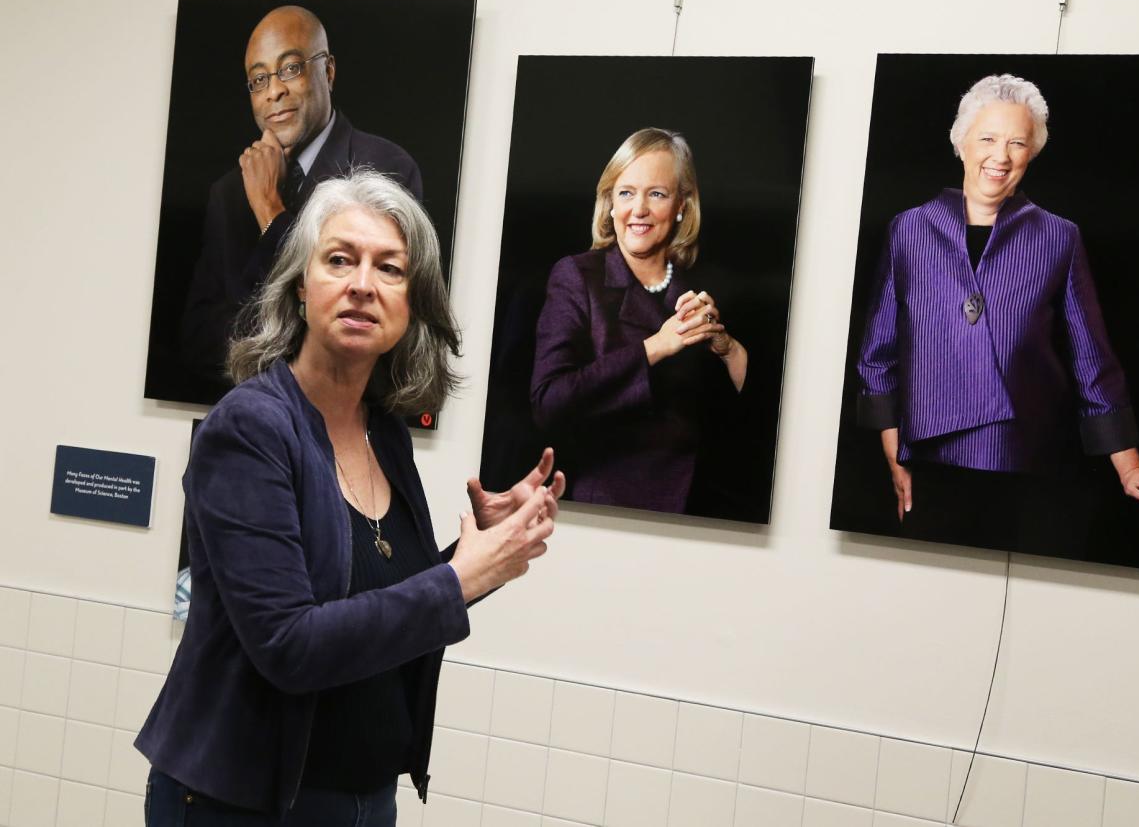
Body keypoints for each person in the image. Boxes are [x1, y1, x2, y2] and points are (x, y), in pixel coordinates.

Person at [138, 169, 563, 825]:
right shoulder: (249, 428)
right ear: (301, 288)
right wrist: (457, 579)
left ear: (411, 304)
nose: (363, 282)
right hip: (242, 802)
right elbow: (290, 644)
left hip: (366, 799)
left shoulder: (384, 431)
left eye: (389, 268)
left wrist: (480, 552)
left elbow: (384, 591)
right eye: (339, 259)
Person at [856, 74, 1139, 532]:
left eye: (1017, 143)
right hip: (926, 457)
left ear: (1032, 153)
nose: (1001, 156)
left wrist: (1131, 467)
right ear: (962, 142)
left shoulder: (1058, 236)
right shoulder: (908, 229)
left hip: (1026, 458)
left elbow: (1093, 361)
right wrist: (894, 454)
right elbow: (877, 356)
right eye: (988, 138)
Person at [180, 4, 423, 395]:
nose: (274, 91)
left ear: (327, 71)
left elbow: (378, 330)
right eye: (258, 80)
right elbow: (200, 342)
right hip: (258, 414)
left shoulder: (387, 168)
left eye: (290, 68)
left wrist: (271, 215)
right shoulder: (227, 192)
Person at [530, 127, 748, 514]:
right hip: (613, 509)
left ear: (682, 206)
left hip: (707, 512)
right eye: (626, 192)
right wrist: (654, 348)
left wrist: (726, 347)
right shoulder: (577, 277)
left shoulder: (705, 288)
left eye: (657, 194)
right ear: (610, 202)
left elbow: (747, 415)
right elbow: (549, 402)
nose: (639, 209)